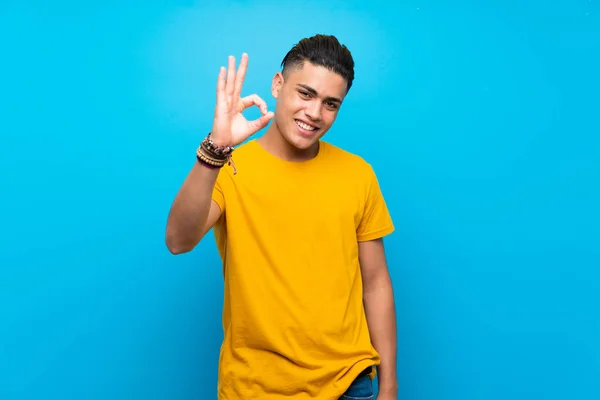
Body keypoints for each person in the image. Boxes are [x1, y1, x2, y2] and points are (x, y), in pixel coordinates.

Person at [165, 34, 398, 400]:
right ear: (278, 84)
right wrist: (216, 149)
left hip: (349, 382)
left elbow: (376, 283)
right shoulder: (230, 167)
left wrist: (390, 386)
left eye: (330, 104)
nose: (315, 113)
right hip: (256, 387)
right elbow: (178, 241)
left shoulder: (358, 174)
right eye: (305, 94)